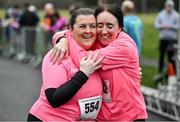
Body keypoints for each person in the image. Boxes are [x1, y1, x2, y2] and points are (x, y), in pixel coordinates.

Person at [50, 5, 148, 121]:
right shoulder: (97, 40)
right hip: (102, 117)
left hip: (128, 117)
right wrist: (62, 40)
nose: (104, 31)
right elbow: (62, 33)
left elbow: (85, 60)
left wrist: (67, 39)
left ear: (120, 27)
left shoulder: (125, 46)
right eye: (99, 25)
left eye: (110, 26)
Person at [27, 8, 104, 121]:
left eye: (92, 26)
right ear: (71, 30)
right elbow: (54, 99)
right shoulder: (58, 54)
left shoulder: (100, 52)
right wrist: (83, 74)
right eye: (82, 26)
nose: (88, 31)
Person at [155, 0, 179, 80]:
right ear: (165, 6)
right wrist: (162, 26)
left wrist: (170, 26)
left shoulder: (176, 15)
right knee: (161, 56)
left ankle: (171, 75)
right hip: (163, 39)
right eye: (168, 6)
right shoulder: (161, 14)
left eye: (171, 6)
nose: (169, 8)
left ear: (173, 6)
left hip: (172, 40)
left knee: (171, 58)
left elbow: (178, 26)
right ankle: (160, 72)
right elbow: (156, 25)